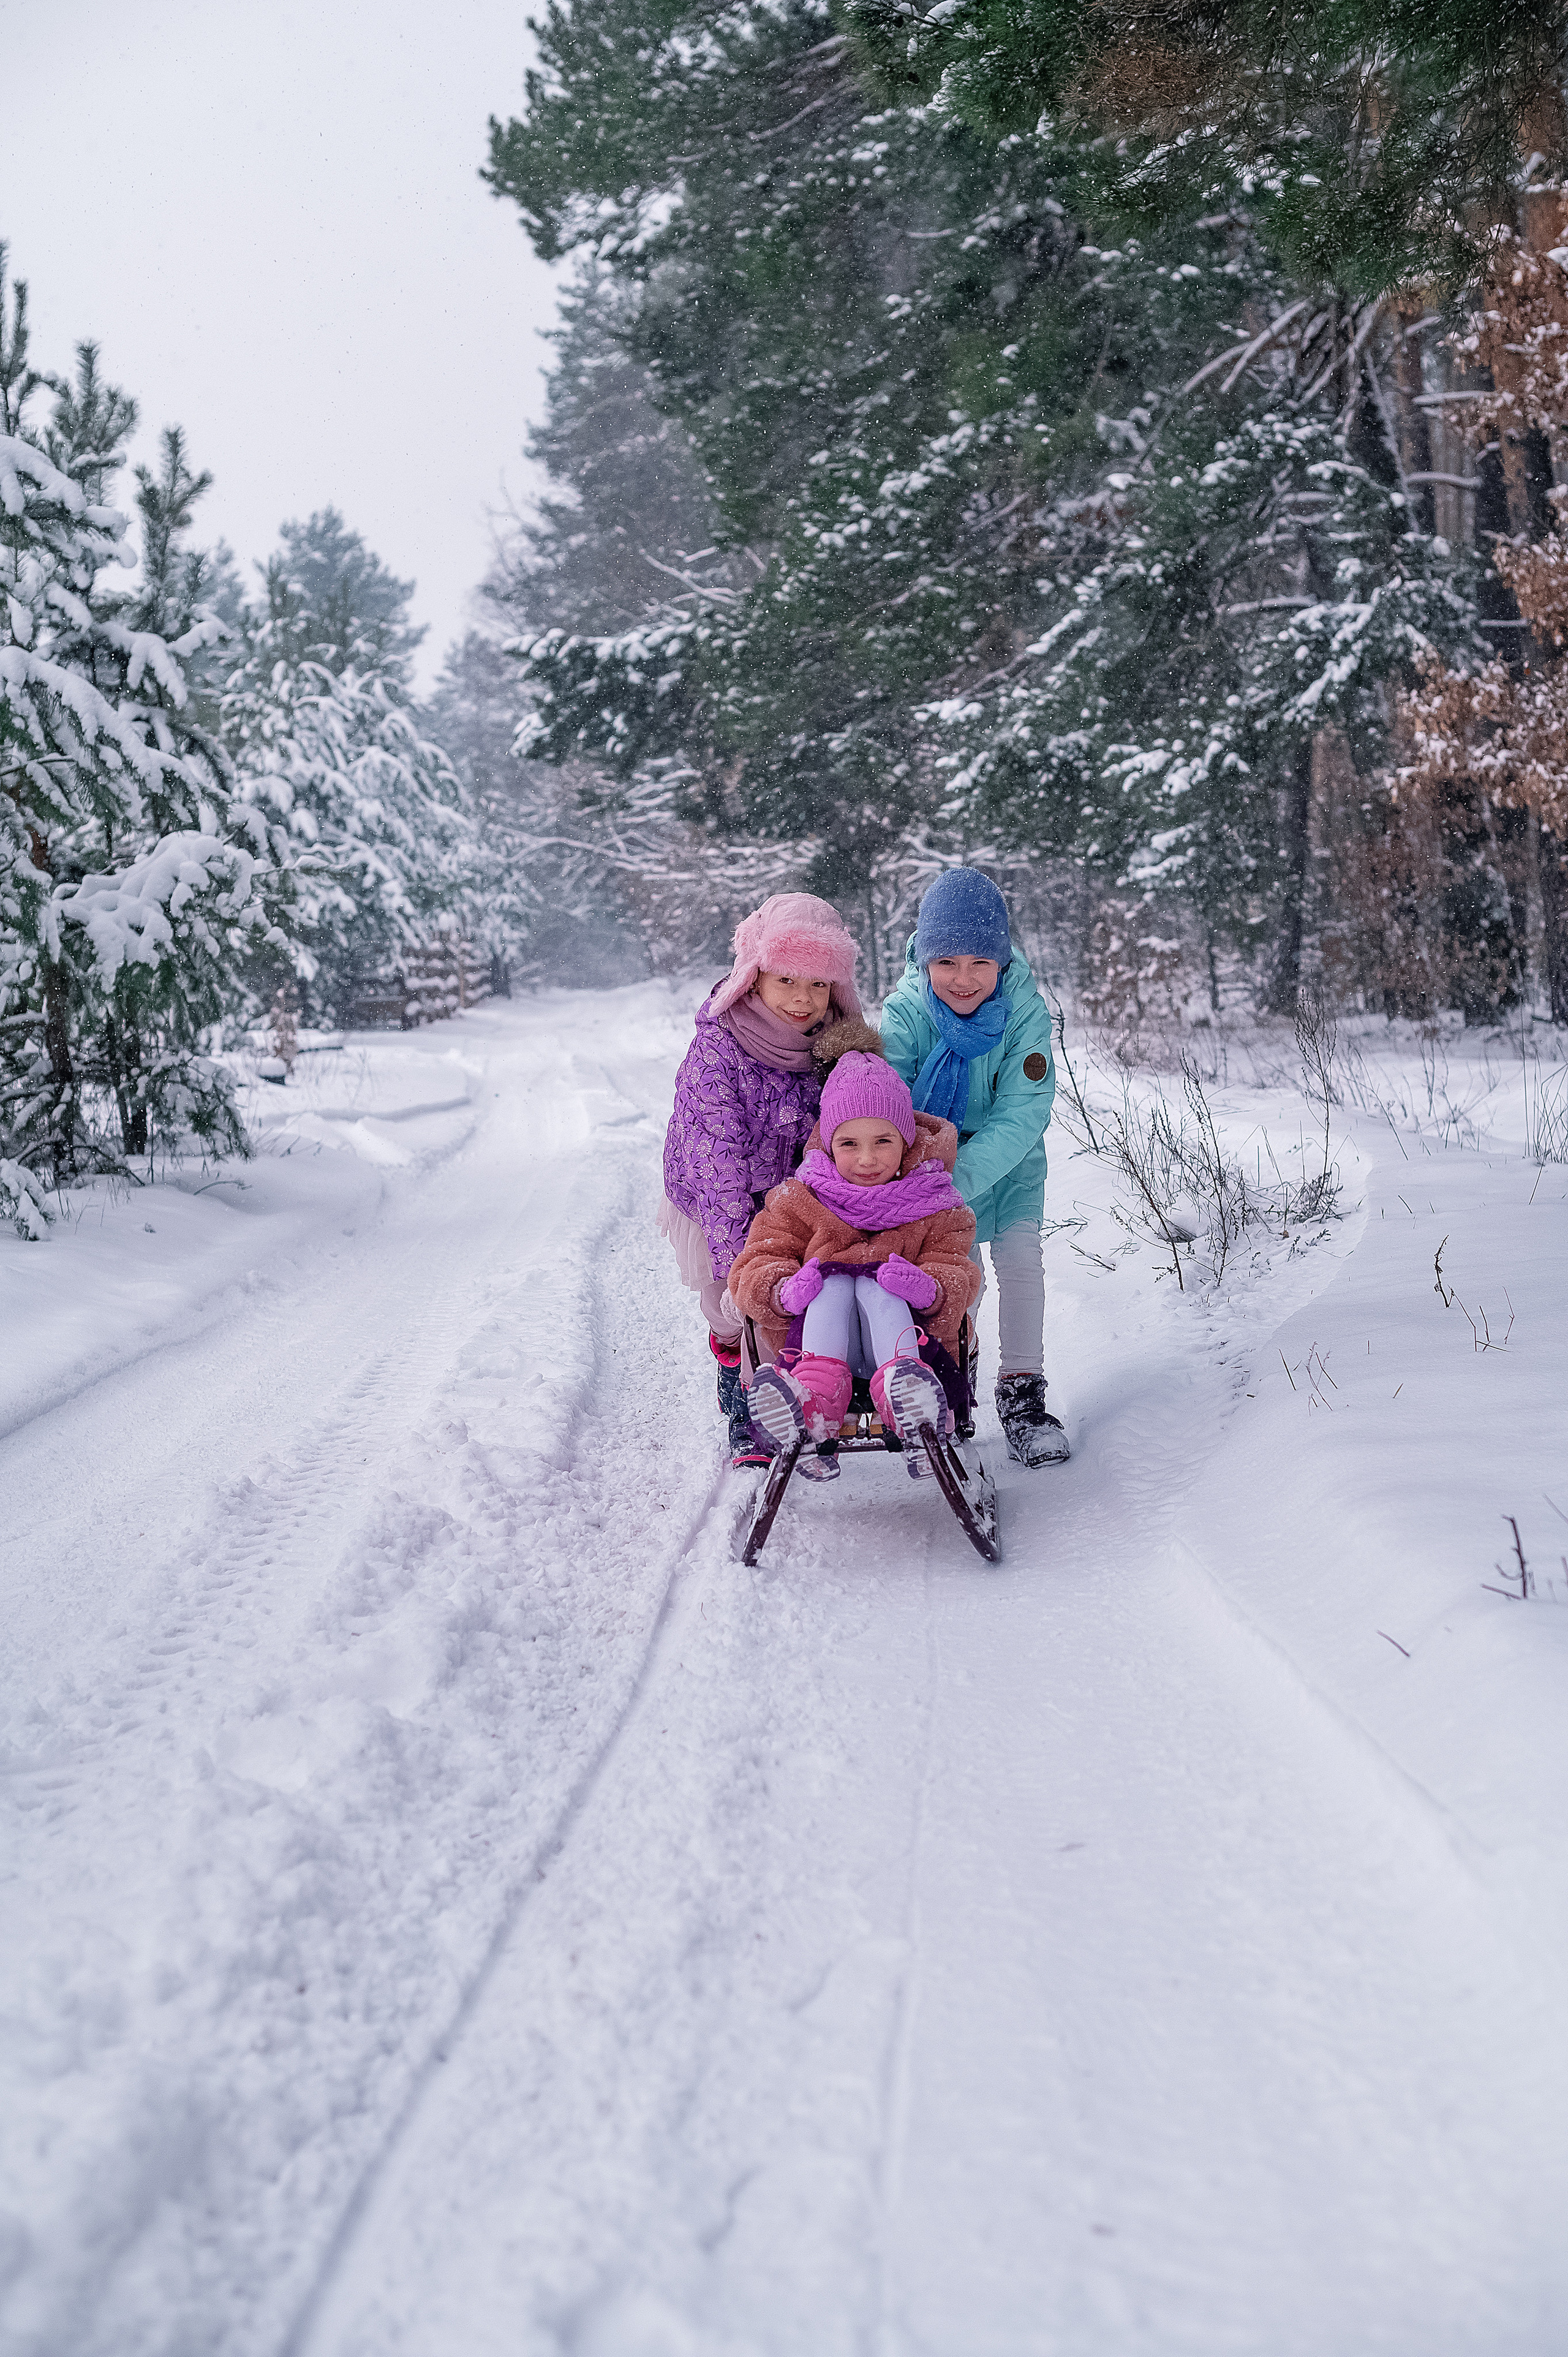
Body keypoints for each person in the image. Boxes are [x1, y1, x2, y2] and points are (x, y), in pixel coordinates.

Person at [660, 892, 863, 1467]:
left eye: (819, 985)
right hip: (715, 1194)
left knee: (797, 1303)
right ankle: (738, 1381)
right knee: (732, 1305)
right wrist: (736, 1265)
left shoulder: (837, 1046)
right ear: (754, 978)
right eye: (787, 980)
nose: (803, 999)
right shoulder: (720, 1047)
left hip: (791, 1198)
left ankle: (791, 1393)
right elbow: (715, 1160)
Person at [878, 867, 1071, 1467]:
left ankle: (1022, 1396)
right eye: (948, 963)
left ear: (1001, 960)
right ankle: (953, 1383)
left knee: (1018, 1264)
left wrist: (954, 1182)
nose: (963, 980)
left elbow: (1024, 1110)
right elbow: (891, 1103)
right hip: (929, 1168)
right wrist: (925, 1179)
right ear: (926, 958)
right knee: (959, 1278)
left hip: (1007, 1166)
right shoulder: (907, 1013)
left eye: (979, 964)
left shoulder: (1023, 1012)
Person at [729, 1044, 980, 1480]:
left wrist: (931, 1287)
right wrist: (781, 1289)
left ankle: (911, 1407)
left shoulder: (936, 1202)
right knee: (832, 1282)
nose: (867, 1159)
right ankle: (811, 1411)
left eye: (883, 1141)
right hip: (818, 1350)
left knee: (877, 1281)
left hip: (917, 1350)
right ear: (828, 1143)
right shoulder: (799, 1199)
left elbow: (959, 1271)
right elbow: (755, 1262)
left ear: (905, 1140)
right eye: (849, 1143)